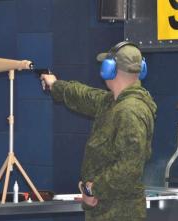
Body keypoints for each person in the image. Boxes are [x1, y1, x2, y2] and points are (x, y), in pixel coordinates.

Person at [40, 41, 157, 221]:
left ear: (109, 69)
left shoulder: (129, 111)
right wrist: (56, 85)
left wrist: (93, 189)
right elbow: (85, 96)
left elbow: (129, 168)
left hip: (119, 213)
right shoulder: (114, 102)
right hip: (107, 209)